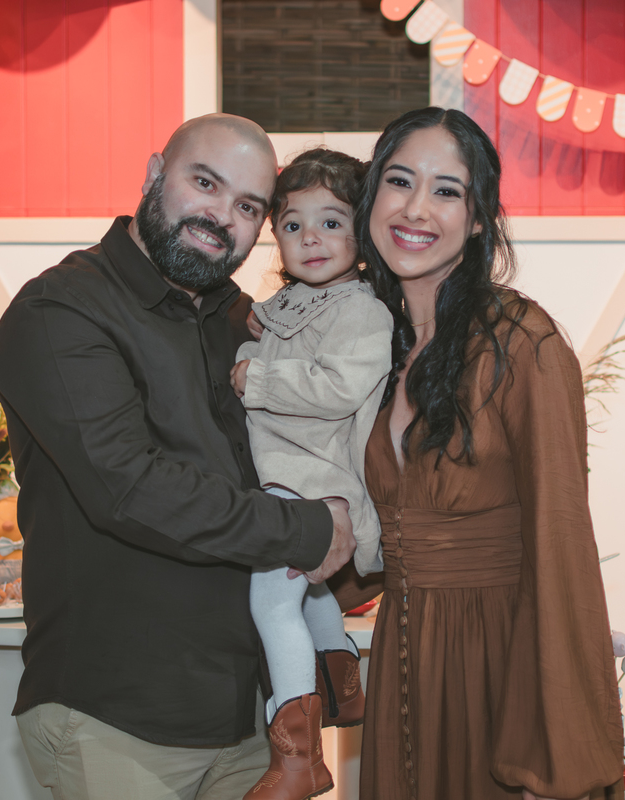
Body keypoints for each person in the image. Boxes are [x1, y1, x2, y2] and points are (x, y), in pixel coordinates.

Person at [0, 113, 356, 800]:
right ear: (155, 173)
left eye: (248, 206)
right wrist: (312, 529)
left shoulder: (242, 318)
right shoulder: (59, 311)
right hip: (118, 719)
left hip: (252, 720)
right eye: (205, 183)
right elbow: (128, 487)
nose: (221, 217)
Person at [332, 107, 624, 800]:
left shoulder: (523, 342)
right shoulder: (371, 346)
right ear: (371, 198)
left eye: (446, 190)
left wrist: (554, 752)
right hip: (405, 658)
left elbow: (560, 544)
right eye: (399, 181)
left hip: (501, 667)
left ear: (477, 217)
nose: (415, 208)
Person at [229, 148, 393, 800]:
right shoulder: (290, 304)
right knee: (308, 592)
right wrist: (250, 344)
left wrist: (255, 375)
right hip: (285, 476)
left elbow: (336, 387)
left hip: (314, 481)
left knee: (270, 600)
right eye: (293, 225)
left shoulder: (362, 310)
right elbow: (268, 345)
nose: (311, 239)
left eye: (331, 222)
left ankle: (299, 755)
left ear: (361, 231)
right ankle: (342, 685)